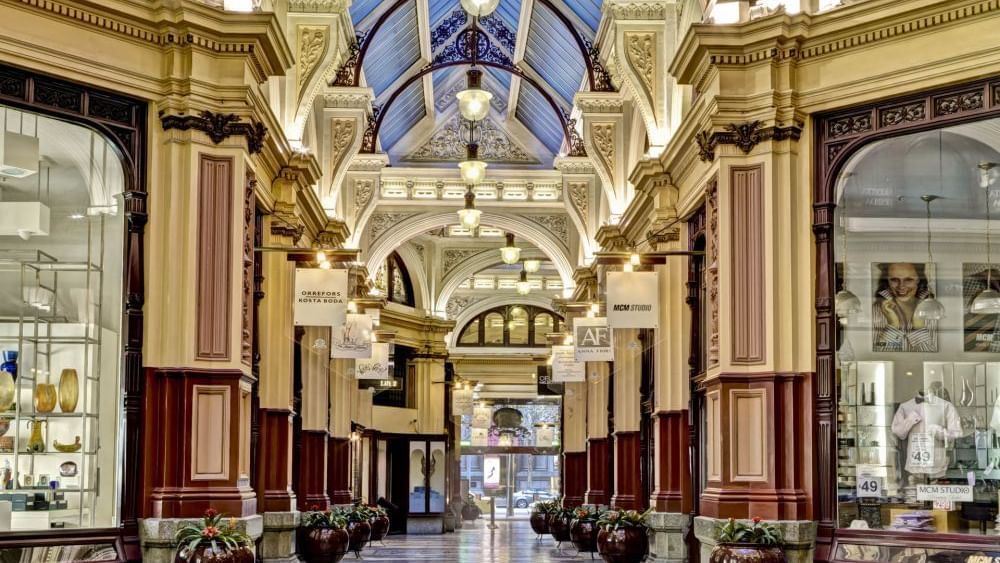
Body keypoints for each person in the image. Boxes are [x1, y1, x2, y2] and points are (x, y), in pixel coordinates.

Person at [872, 262, 938, 352]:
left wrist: (918, 327)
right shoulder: (873, 311)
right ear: (887, 280)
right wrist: (892, 326)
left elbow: (933, 358)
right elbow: (878, 358)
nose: (901, 286)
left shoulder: (936, 310)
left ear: (918, 279)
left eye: (908, 279)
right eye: (894, 280)